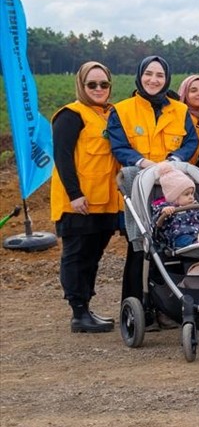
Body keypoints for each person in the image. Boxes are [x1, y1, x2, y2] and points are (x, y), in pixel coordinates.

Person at [107, 55, 199, 303]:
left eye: (159, 75)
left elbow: (191, 141)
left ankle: (168, 305)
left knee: (173, 244)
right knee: (141, 246)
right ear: (139, 76)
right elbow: (119, 145)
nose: (153, 79)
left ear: (166, 78)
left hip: (173, 186)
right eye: (148, 73)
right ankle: (137, 305)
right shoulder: (122, 110)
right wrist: (145, 163)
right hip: (138, 185)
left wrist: (173, 159)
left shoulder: (180, 110)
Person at [50, 61, 121, 333]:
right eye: (92, 84)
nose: (99, 89)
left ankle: (87, 308)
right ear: (82, 85)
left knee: (93, 256)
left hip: (104, 202)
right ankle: (78, 313)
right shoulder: (70, 115)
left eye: (104, 84)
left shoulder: (108, 114)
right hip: (79, 204)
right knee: (77, 256)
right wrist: (75, 194)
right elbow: (63, 158)